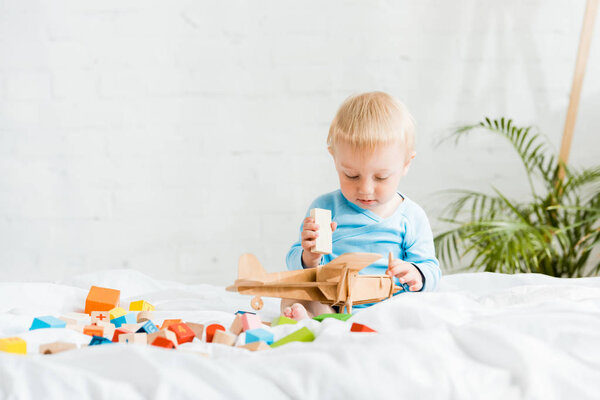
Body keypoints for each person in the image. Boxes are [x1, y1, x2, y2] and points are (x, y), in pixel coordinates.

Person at [282, 91, 441, 320]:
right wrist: (309, 256)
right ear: (334, 159)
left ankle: (322, 321)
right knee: (293, 292)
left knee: (417, 308)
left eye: (381, 177)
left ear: (406, 164)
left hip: (388, 303)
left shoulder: (411, 216)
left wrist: (417, 273)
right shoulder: (325, 208)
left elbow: (430, 267)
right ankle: (320, 318)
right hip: (334, 300)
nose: (365, 189)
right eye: (351, 175)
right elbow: (295, 262)